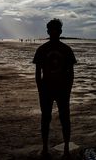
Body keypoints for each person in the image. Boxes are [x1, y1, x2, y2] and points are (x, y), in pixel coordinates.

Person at [33, 19, 77, 158]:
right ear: (48, 31)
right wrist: (40, 88)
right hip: (46, 90)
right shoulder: (41, 49)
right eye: (51, 30)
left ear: (60, 32)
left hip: (63, 90)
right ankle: (45, 148)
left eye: (56, 30)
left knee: (65, 118)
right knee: (45, 118)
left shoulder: (67, 50)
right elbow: (37, 72)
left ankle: (66, 149)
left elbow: (71, 72)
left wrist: (69, 89)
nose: (53, 32)